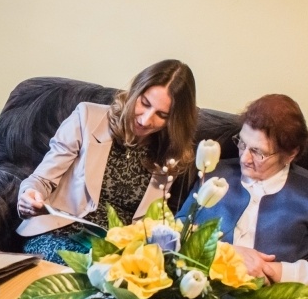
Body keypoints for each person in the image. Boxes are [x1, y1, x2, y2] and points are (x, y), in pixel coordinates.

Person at [177, 94, 308, 299]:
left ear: (291, 154)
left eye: (259, 152)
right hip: (203, 297)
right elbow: (175, 233)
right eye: (242, 143)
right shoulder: (216, 172)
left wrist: (274, 271)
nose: (244, 157)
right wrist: (227, 253)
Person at [16, 59, 198, 264]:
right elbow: (42, 179)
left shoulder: (170, 154)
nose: (146, 120)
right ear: (135, 92)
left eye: (162, 115)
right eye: (144, 103)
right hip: (60, 233)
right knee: (91, 271)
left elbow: (154, 220)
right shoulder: (87, 118)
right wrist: (29, 195)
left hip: (118, 253)